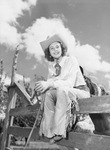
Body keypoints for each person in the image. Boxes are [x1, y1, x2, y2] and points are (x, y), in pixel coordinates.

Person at [35, 34, 90, 144]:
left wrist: (48, 83)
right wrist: (42, 88)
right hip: (62, 93)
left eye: (57, 47)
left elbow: (69, 83)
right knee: (49, 94)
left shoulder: (71, 60)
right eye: (52, 48)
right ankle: (49, 131)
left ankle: (60, 132)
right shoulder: (51, 67)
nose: (55, 50)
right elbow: (50, 86)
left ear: (62, 48)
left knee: (61, 90)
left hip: (79, 91)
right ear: (49, 52)